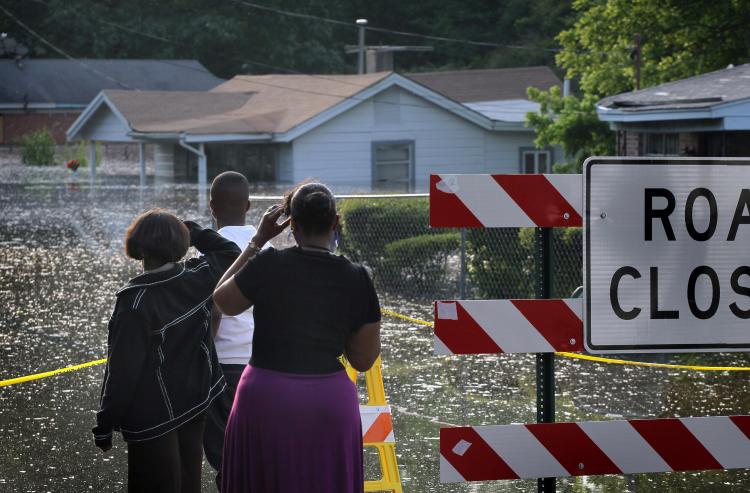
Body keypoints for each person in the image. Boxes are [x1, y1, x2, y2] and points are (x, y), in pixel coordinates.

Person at [213, 182, 381, 493]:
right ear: (335, 222)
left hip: (266, 398)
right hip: (328, 403)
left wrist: (258, 241)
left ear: (292, 224)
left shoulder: (268, 263)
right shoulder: (358, 277)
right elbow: (363, 359)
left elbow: (222, 300)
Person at [92, 209, 240, 493]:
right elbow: (230, 251)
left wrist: (105, 425)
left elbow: (122, 373)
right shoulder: (199, 276)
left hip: (152, 416)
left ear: (139, 246)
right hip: (196, 400)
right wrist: (189, 231)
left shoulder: (134, 302)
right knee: (188, 482)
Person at [203, 171, 263, 487]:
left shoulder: (208, 252)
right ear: (249, 205)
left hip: (221, 367)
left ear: (211, 207)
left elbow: (208, 313)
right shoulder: (268, 251)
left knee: (225, 456)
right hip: (264, 367)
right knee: (259, 454)